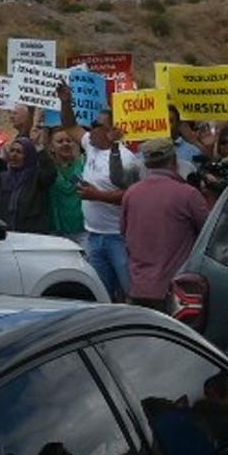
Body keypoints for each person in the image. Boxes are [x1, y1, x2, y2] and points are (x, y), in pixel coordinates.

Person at [118, 139, 213, 310]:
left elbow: (124, 233)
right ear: (174, 160)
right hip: (176, 293)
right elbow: (209, 236)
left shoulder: (131, 194)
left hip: (139, 289)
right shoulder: (188, 194)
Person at [77, 116, 140, 301]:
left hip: (118, 237)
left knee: (130, 292)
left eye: (96, 125)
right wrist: (65, 101)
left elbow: (132, 195)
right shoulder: (90, 146)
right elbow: (70, 125)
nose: (90, 129)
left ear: (109, 130)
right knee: (102, 295)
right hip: (93, 236)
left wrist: (97, 196)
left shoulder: (127, 158)